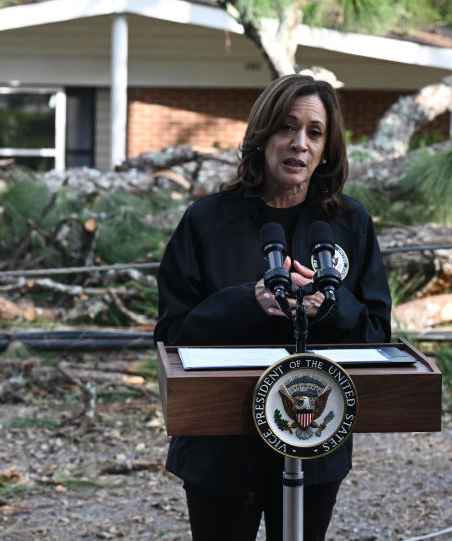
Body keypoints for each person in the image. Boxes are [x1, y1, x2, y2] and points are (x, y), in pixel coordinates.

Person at [154, 73, 392, 541]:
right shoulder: (206, 221)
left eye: (314, 132)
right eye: (287, 127)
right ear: (262, 135)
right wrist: (249, 301)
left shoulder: (348, 223)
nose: (299, 143)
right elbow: (171, 333)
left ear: (327, 148)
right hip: (220, 447)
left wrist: (331, 306)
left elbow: (377, 332)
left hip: (313, 435)